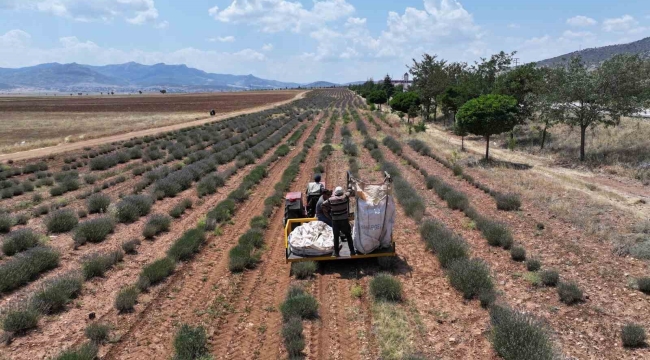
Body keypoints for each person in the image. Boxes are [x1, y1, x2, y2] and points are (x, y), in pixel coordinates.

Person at [321, 186, 357, 257]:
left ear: (335, 193)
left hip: (335, 221)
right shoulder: (345, 198)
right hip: (344, 220)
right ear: (341, 192)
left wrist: (328, 215)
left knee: (336, 237)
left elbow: (323, 205)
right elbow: (349, 192)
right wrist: (350, 188)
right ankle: (352, 251)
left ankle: (336, 253)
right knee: (348, 235)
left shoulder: (331, 200)